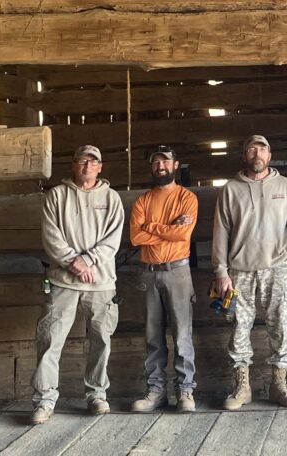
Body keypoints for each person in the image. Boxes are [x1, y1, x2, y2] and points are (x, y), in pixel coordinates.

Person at [30, 145, 124, 424]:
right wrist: (74, 262)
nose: (87, 166)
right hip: (63, 282)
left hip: (102, 282)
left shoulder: (112, 198)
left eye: (92, 162)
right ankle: (44, 400)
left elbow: (113, 239)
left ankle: (97, 394)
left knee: (101, 340)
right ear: (73, 165)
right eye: (82, 161)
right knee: (50, 339)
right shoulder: (56, 197)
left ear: (100, 167)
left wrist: (89, 261)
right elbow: (51, 236)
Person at [212, 135, 287, 410]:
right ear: (244, 156)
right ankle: (242, 387)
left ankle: (279, 384)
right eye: (250, 148)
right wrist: (221, 271)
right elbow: (220, 234)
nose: (256, 153)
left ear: (270, 155)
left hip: (277, 269)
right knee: (239, 327)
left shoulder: (285, 187)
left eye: (261, 148)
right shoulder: (230, 189)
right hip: (239, 271)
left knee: (280, 324)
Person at [129, 146, 199, 413]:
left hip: (178, 272)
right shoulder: (142, 201)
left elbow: (183, 235)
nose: (160, 165)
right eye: (155, 161)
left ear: (175, 164)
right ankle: (156, 391)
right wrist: (167, 228)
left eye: (165, 161)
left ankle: (185, 391)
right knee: (153, 335)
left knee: (182, 334)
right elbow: (136, 237)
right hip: (148, 272)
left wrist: (151, 227)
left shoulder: (187, 198)